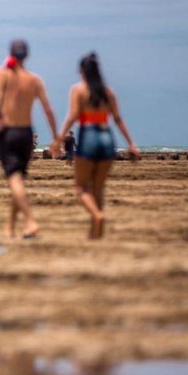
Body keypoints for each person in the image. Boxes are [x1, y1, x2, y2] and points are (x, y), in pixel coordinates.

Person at [0, 39, 59, 239]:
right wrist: (56, 138)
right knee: (17, 180)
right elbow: (48, 110)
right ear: (27, 56)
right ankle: (10, 227)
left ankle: (30, 221)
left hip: (8, 133)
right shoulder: (34, 80)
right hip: (26, 133)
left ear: (9, 54)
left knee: (15, 180)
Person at [55, 53, 139, 240]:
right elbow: (117, 119)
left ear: (81, 71)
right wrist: (131, 144)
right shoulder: (108, 92)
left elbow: (72, 116)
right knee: (98, 188)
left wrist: (59, 139)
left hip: (89, 135)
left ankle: (97, 216)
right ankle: (95, 232)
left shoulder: (79, 90)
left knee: (81, 188)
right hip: (107, 136)